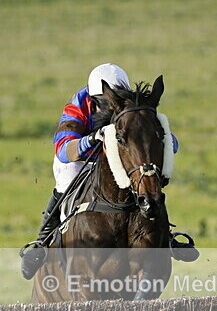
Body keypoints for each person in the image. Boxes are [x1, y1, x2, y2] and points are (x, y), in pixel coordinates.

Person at [20, 63, 185, 280]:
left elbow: (166, 143)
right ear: (94, 98)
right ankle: (42, 241)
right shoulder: (77, 106)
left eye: (116, 98)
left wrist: (161, 140)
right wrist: (90, 140)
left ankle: (167, 237)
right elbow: (63, 149)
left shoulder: (128, 104)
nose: (111, 107)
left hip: (116, 161)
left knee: (147, 179)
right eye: (106, 102)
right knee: (67, 176)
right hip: (80, 160)